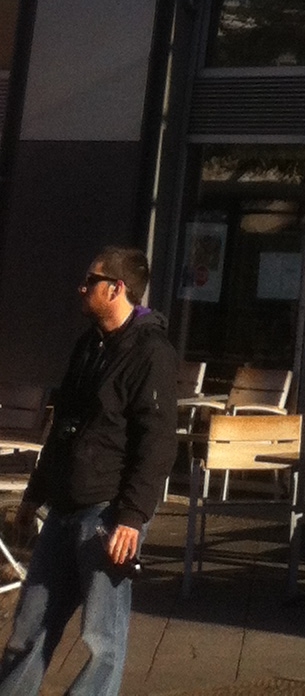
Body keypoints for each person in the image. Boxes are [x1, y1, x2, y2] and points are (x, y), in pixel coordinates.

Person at [0, 249, 179, 696]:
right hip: (64, 507)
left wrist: (132, 517)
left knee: (102, 640)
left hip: (107, 515)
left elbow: (157, 443)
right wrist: (34, 495)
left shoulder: (151, 353)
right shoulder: (90, 343)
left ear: (116, 289)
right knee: (29, 629)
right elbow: (64, 428)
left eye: (91, 279)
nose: (82, 287)